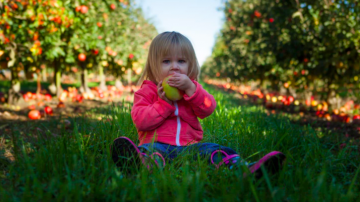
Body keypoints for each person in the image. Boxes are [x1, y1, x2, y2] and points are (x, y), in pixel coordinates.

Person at [110, 31, 286, 178]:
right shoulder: (146, 92)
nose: (174, 67)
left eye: (181, 61)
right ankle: (141, 164)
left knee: (215, 150)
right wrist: (163, 104)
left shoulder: (192, 89)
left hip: (190, 147)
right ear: (153, 66)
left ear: (190, 65)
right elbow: (141, 121)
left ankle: (243, 168)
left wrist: (191, 90)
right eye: (166, 61)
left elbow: (208, 108)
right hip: (157, 144)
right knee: (149, 151)